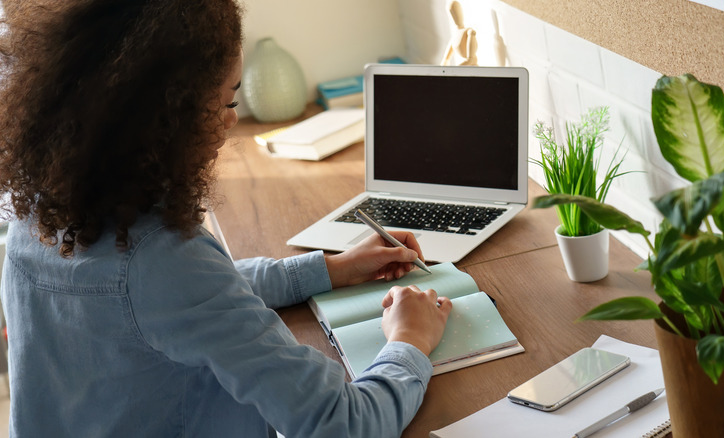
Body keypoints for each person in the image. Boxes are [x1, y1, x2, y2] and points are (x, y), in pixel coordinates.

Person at [0, 1, 452, 437]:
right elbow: (342, 424)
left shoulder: (41, 210)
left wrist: (329, 268)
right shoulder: (159, 257)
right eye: (226, 102)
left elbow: (179, 300)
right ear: (167, 119)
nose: (231, 121)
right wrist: (410, 340)